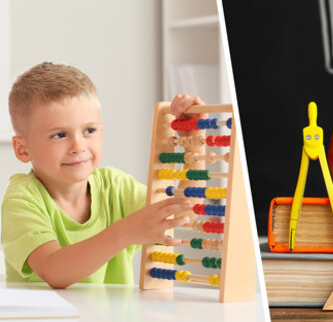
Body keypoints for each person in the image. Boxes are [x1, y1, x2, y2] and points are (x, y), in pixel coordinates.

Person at [2, 62, 205, 288]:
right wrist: (126, 231)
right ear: (23, 149)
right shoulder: (22, 199)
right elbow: (54, 270)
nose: (78, 146)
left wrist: (194, 145)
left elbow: (183, 211)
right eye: (59, 135)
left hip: (110, 321)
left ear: (101, 131)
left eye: (89, 130)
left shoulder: (115, 186)